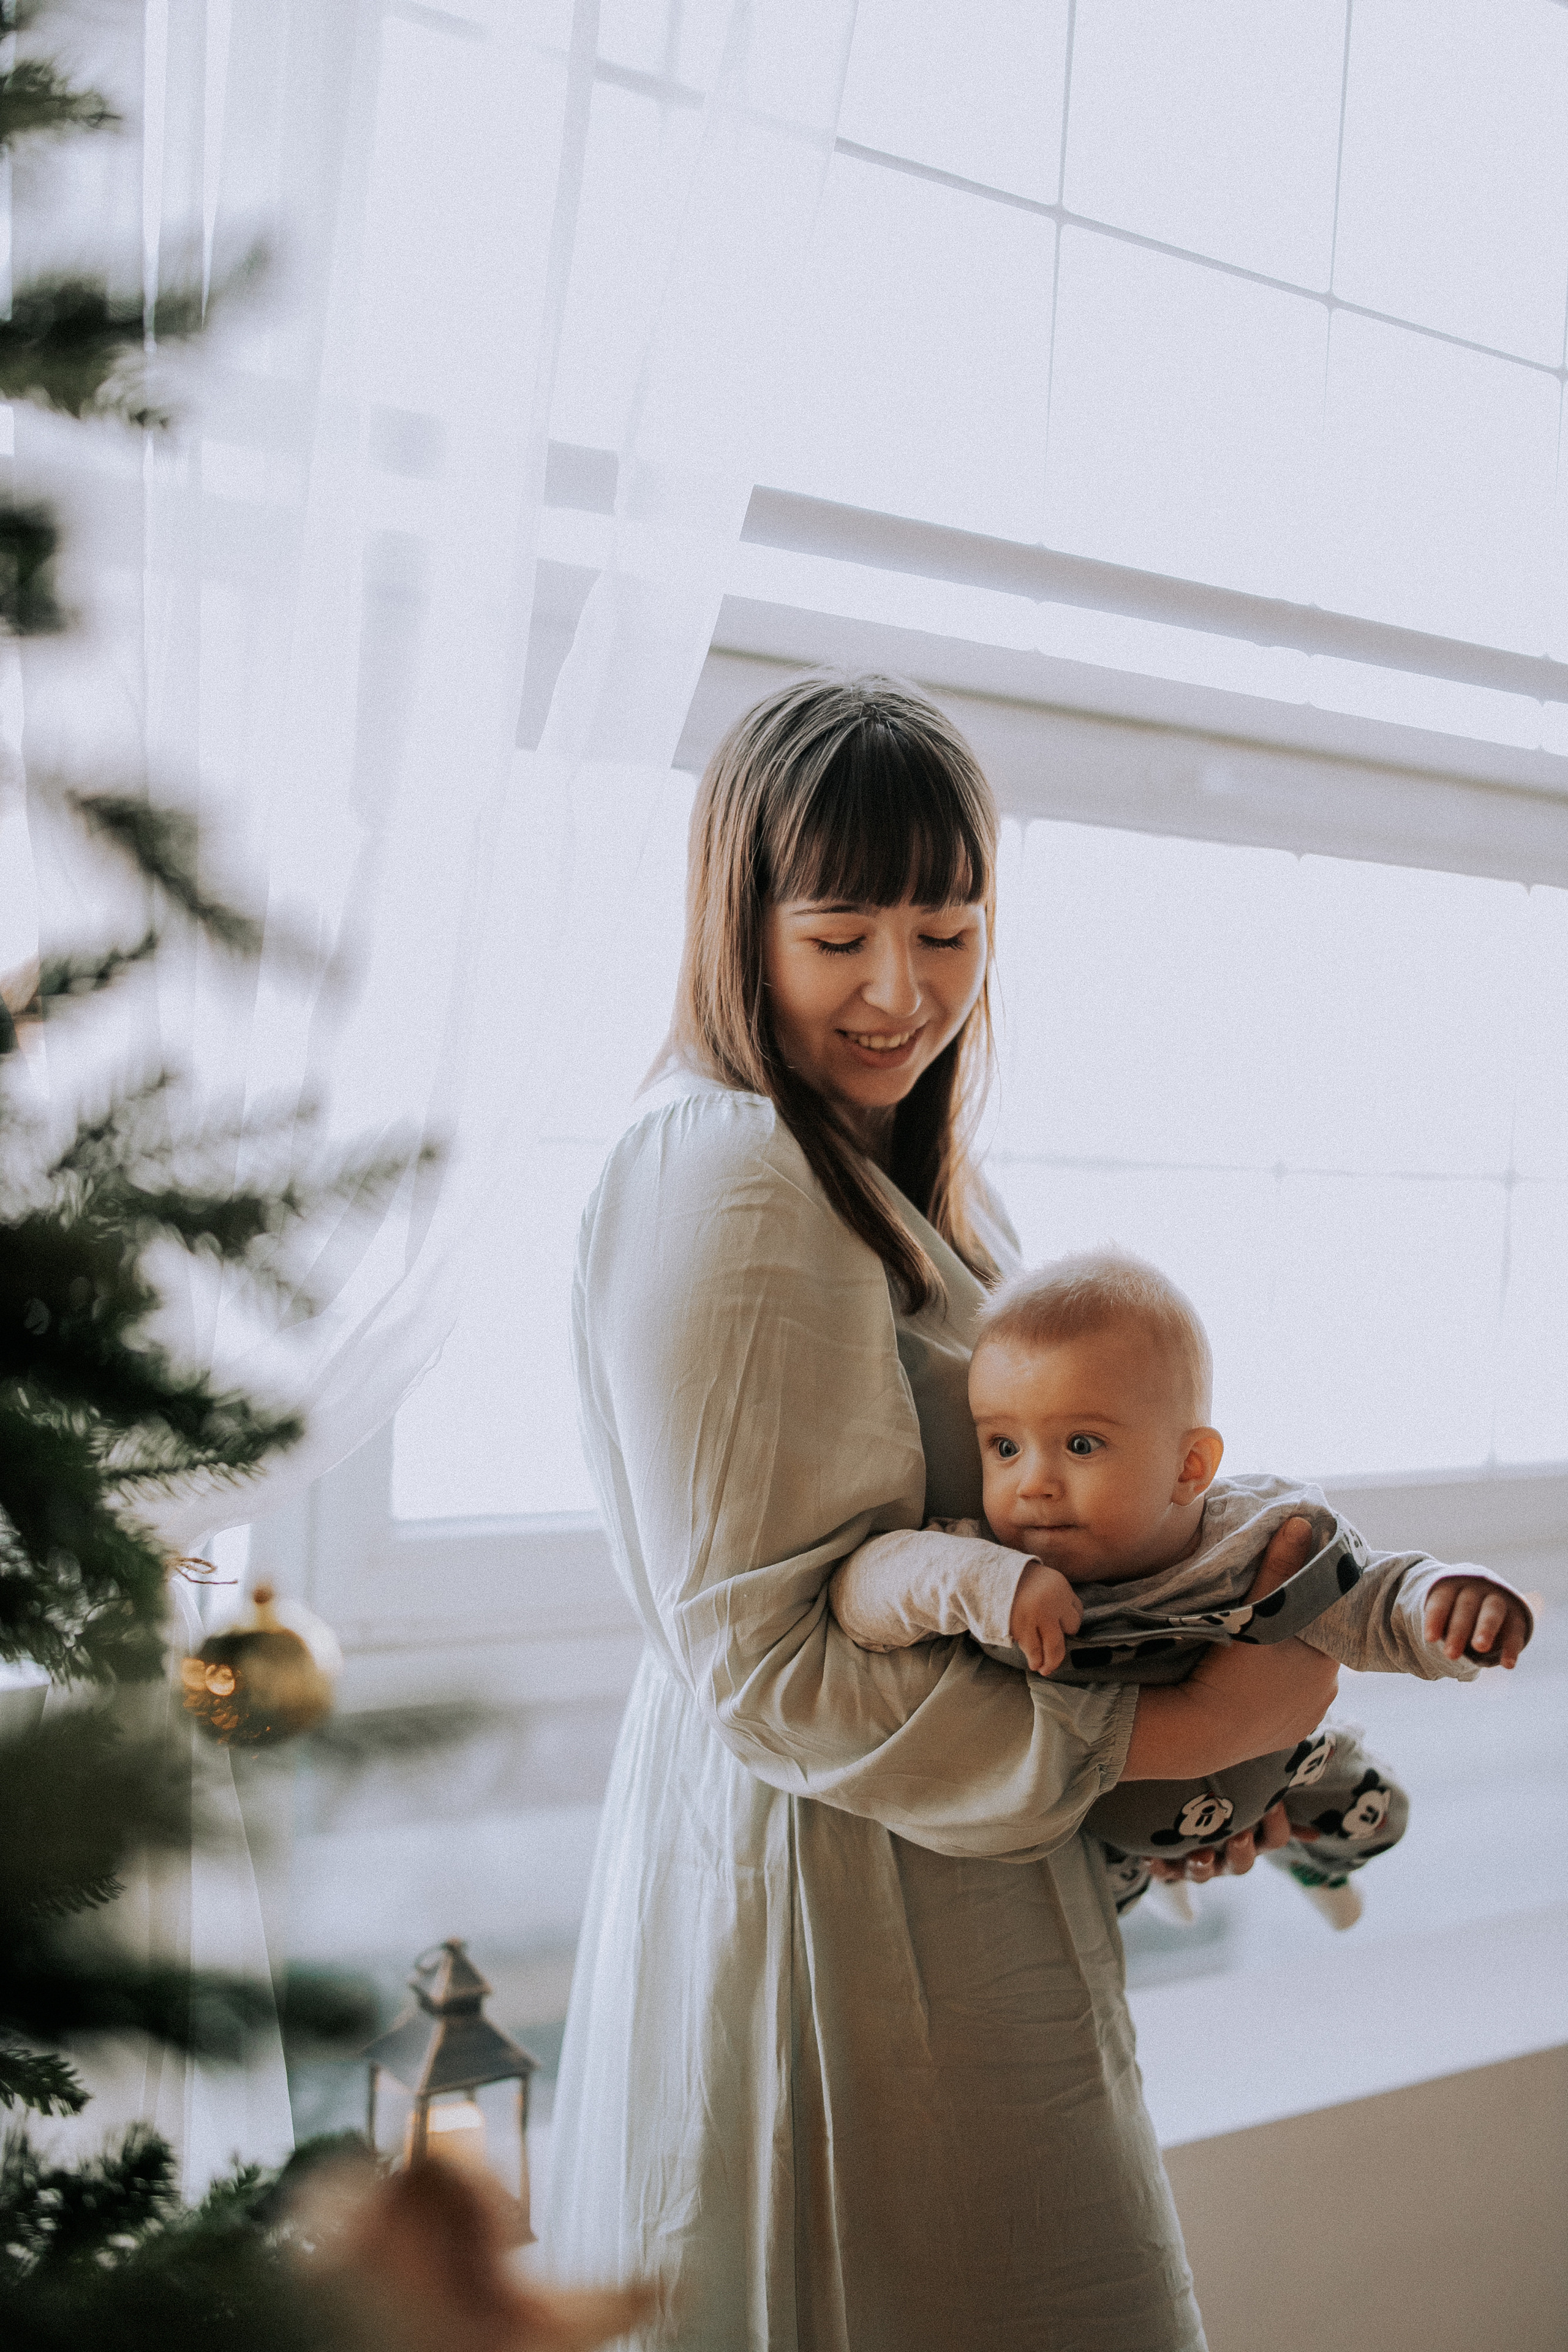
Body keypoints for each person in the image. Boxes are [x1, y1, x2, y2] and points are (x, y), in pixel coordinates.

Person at [543, 675, 1340, 2351]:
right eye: (840, 940)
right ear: (739, 917)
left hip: (926, 1868)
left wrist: (1188, 1779)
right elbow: (764, 1662)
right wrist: (1163, 1738)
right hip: (840, 1911)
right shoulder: (740, 1171)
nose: (902, 993)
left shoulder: (883, 1170)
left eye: (949, 933)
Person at [829, 1248, 1533, 1929]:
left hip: (1276, 1770)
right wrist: (988, 1582)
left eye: (1080, 1445)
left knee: (1379, 1811)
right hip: (1101, 1824)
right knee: (1078, 1904)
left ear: (1189, 1466)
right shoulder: (981, 1556)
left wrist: (1448, 1602)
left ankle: (1314, 1868)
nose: (1031, 1484)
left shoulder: (1251, 1538)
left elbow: (1375, 1594)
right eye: (1003, 1446)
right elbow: (861, 1590)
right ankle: (1161, 1889)